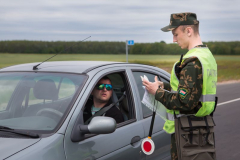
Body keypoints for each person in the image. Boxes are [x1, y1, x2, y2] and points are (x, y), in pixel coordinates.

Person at [142, 12, 217, 160]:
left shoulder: (192, 61)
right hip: (200, 128)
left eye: (176, 34)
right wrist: (165, 86)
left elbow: (185, 101)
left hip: (188, 132)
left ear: (188, 31)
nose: (174, 40)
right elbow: (192, 90)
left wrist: (157, 92)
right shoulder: (206, 56)